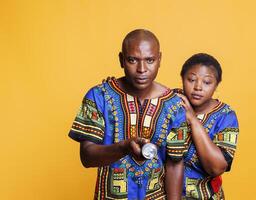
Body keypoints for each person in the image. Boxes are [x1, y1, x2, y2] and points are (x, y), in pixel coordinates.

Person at [68, 29, 186, 200]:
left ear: (160, 59)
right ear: (121, 60)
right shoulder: (99, 96)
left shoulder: (174, 104)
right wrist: (123, 147)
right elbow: (87, 157)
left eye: (150, 60)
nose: (142, 69)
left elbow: (175, 163)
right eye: (132, 60)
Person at [177, 53, 239, 199]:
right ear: (182, 79)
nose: (198, 87)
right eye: (191, 79)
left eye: (207, 82)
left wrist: (192, 119)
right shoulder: (172, 101)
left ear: (216, 85)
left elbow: (217, 167)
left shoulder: (226, 116)